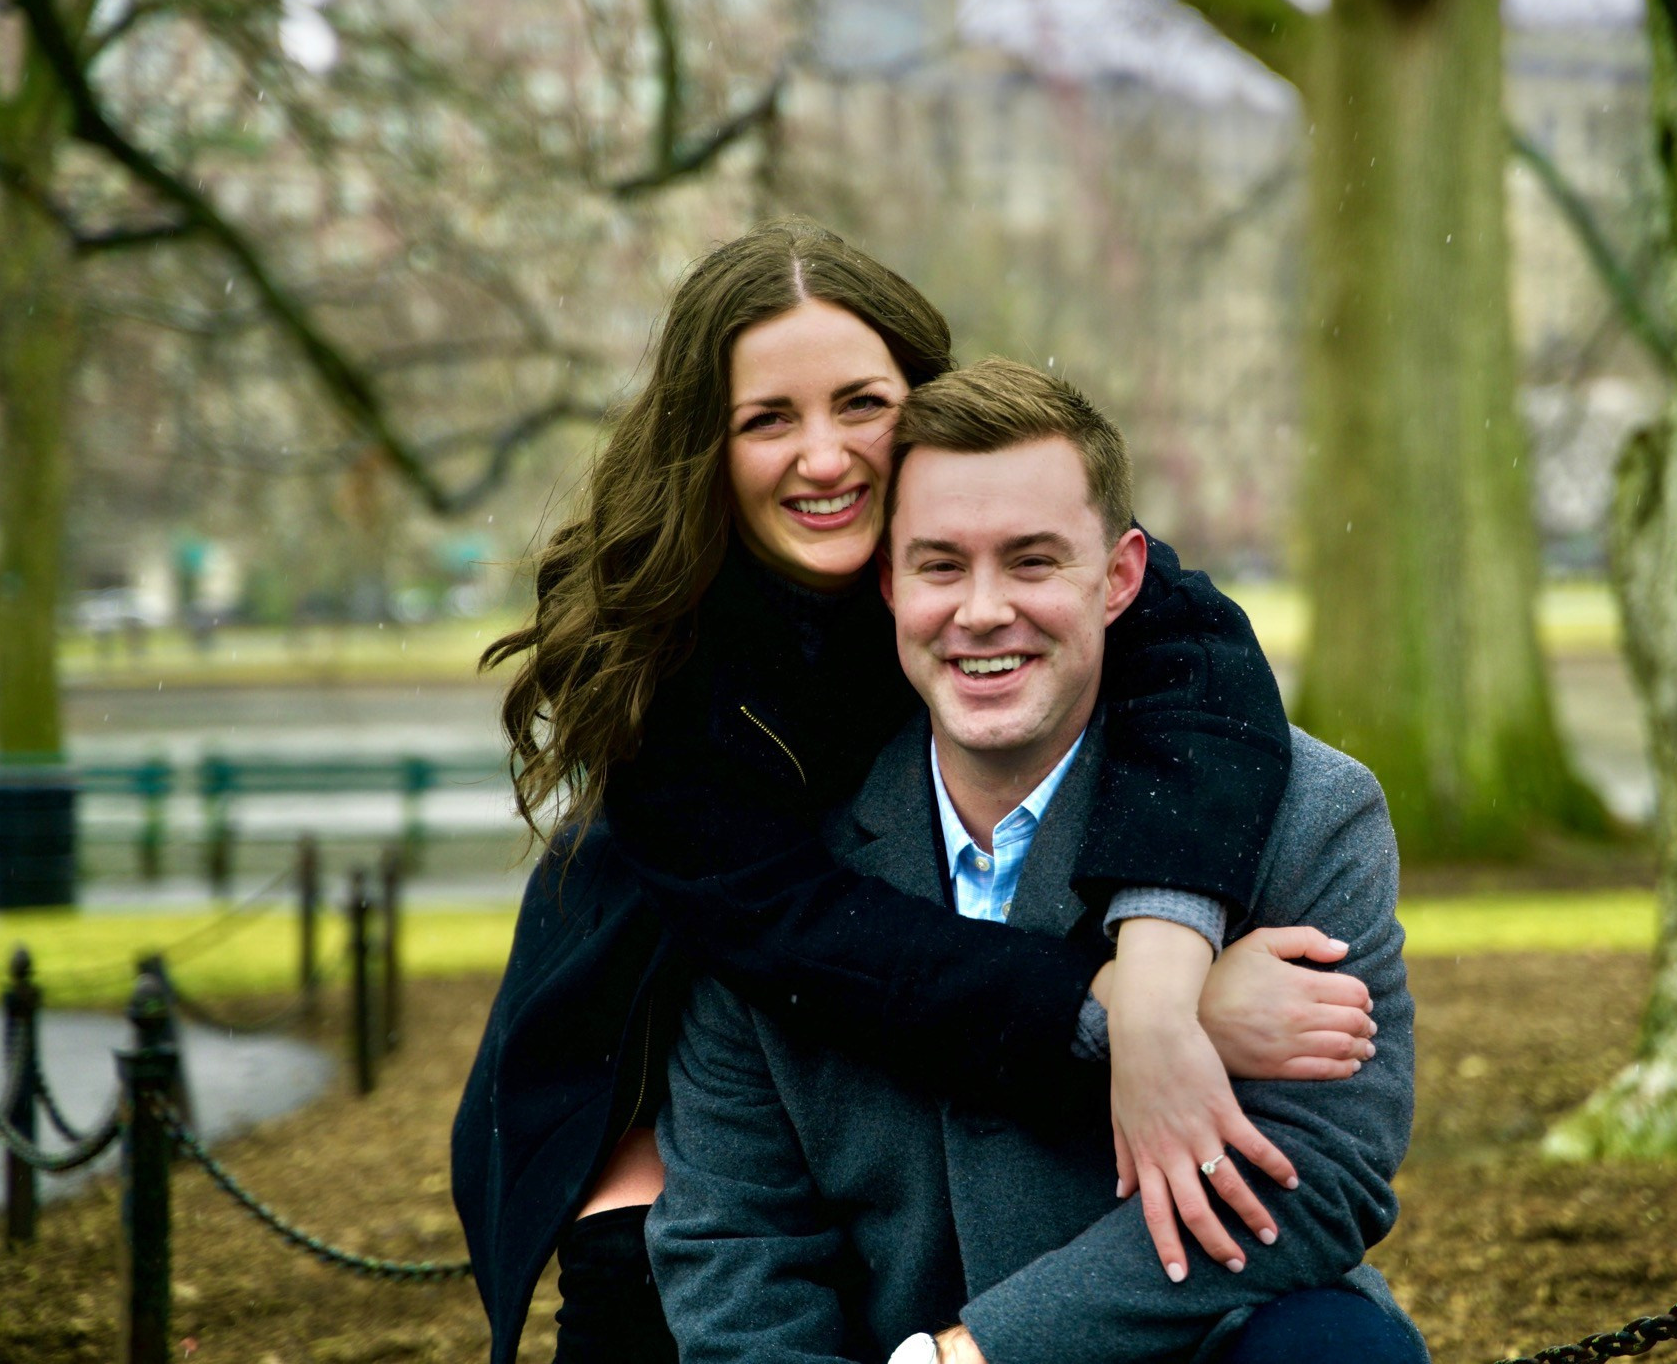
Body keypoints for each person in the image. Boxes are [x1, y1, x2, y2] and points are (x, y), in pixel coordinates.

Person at [451, 221, 1379, 1364]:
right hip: (660, 989)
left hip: (906, 982)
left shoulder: (1004, 520)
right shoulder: (677, 680)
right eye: (767, 419)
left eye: (859, 403)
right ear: (709, 444)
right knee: (654, 1283)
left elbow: (1201, 668)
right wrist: (1129, 1018)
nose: (826, 455)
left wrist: (1161, 961)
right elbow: (829, 950)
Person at [649, 358, 1423, 1364]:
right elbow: (739, 1240)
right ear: (886, 582)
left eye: (1030, 561)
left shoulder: (1309, 816)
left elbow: (1320, 1174)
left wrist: (979, 1353)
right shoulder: (773, 857)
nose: (980, 610)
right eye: (939, 564)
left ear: (1119, 577)